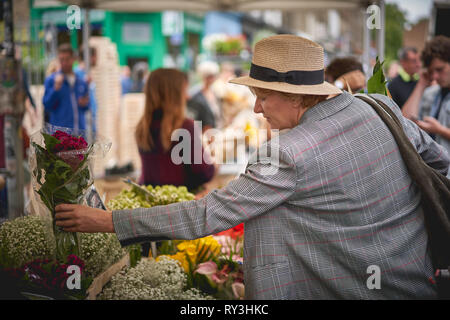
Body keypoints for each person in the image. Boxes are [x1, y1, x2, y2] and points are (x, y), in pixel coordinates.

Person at [55, 35, 449, 299]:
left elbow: (206, 213)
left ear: (295, 96)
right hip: (420, 282)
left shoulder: (288, 153)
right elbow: (441, 165)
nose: (257, 109)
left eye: (262, 97)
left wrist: (107, 222)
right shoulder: (379, 107)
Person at [134, 68, 215, 191]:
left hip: (149, 203)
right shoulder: (185, 127)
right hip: (180, 206)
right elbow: (203, 174)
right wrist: (214, 163)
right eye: (184, 91)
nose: (187, 97)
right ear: (174, 95)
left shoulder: (142, 127)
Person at [402, 36, 450, 160]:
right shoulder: (432, 93)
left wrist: (440, 130)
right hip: (433, 172)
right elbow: (405, 121)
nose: (435, 76)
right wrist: (421, 84)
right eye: (431, 71)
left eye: (440, 69)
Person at [42, 44, 89, 131]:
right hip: (60, 135)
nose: (64, 63)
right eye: (61, 60)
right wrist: (55, 89)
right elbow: (46, 105)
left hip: (79, 133)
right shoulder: (52, 80)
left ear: (73, 59)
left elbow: (86, 107)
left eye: (67, 59)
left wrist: (85, 103)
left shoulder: (80, 81)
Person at [187, 61, 221, 132]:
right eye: (209, 76)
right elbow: (194, 117)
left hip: (214, 131)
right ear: (203, 77)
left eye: (213, 76)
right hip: (202, 132)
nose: (212, 79)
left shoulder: (214, 91)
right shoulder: (195, 94)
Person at [75, 46, 98, 137]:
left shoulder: (87, 74)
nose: (97, 59)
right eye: (96, 56)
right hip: (83, 125)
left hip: (91, 122)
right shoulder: (77, 74)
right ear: (90, 57)